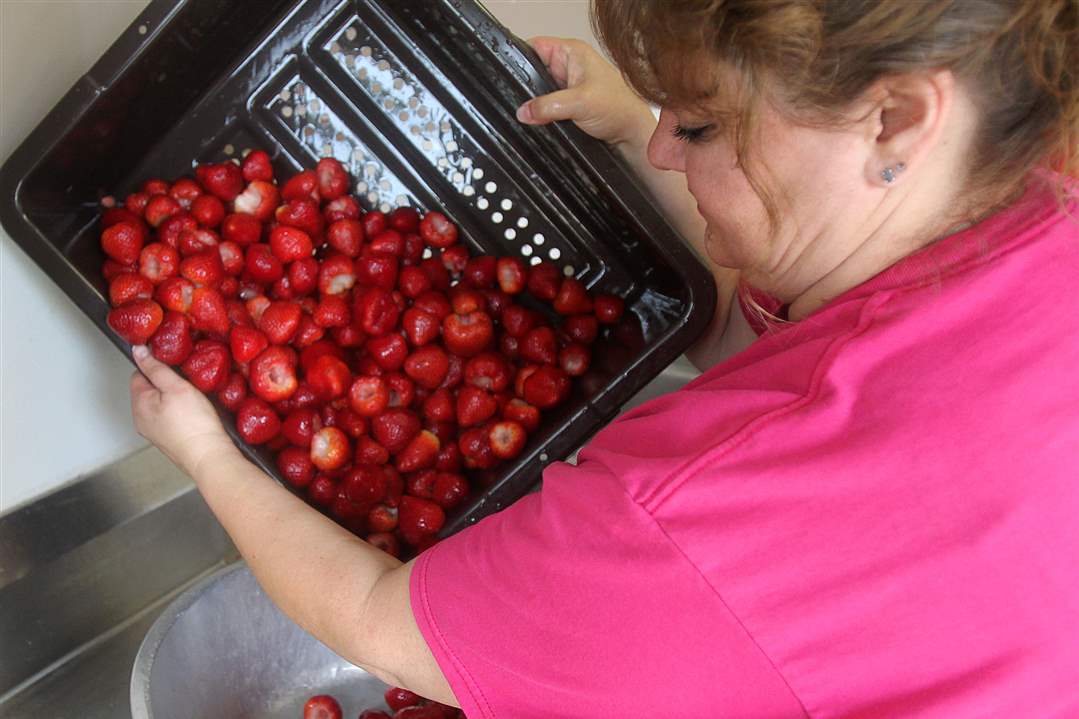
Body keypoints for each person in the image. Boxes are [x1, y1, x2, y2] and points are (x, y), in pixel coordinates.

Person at [128, 0, 1079, 716]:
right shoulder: (1035, 221)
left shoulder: (695, 519)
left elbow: (383, 623)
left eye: (699, 123)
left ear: (895, 121)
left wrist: (207, 453)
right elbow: (785, 351)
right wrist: (628, 121)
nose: (663, 147)